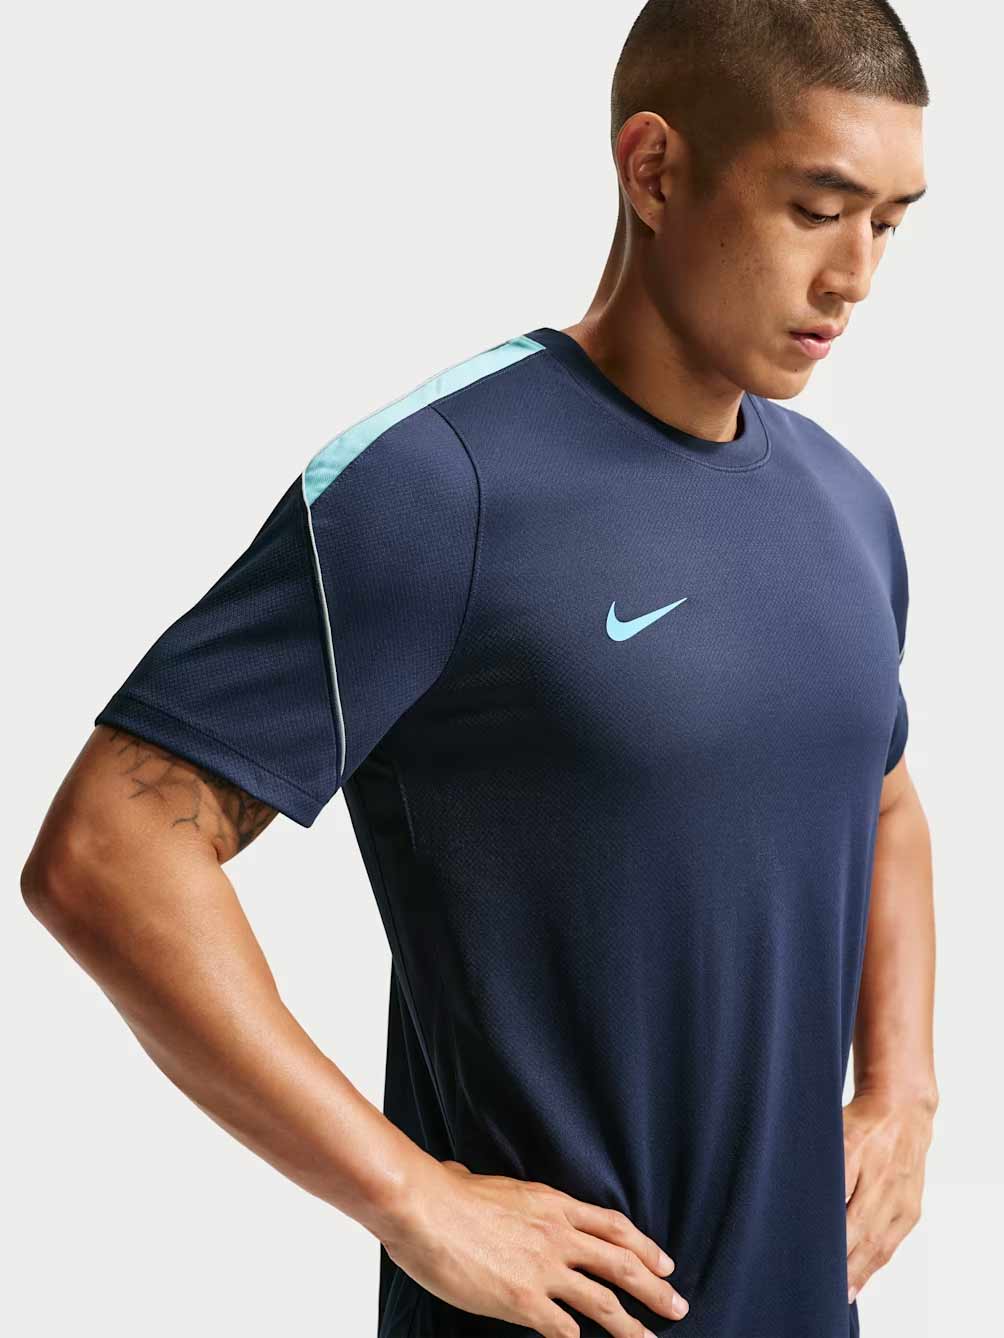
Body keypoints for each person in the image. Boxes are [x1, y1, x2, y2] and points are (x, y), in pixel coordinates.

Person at [21, 1, 939, 1335]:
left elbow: (882, 796)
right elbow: (108, 849)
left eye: (890, 223)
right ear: (654, 169)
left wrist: (902, 1090)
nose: (855, 275)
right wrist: (412, 1198)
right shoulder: (440, 486)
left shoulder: (847, 507)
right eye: (818, 209)